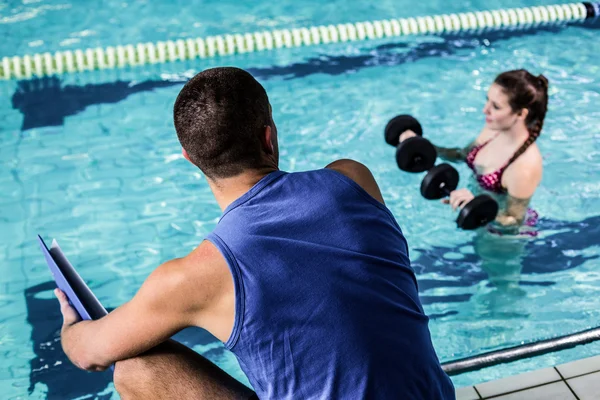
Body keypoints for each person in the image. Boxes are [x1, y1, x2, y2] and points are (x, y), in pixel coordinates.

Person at [54, 67, 455, 399]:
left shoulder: (195, 276)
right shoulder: (353, 178)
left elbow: (91, 353)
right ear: (269, 136)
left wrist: (71, 326)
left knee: (137, 370)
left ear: (190, 159)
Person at [401, 69, 547, 234]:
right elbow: (460, 155)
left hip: (503, 239)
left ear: (521, 114)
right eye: (487, 101)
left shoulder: (523, 166)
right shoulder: (494, 130)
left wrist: (475, 204)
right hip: (476, 217)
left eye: (496, 107)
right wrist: (421, 144)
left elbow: (514, 221)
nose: (485, 110)